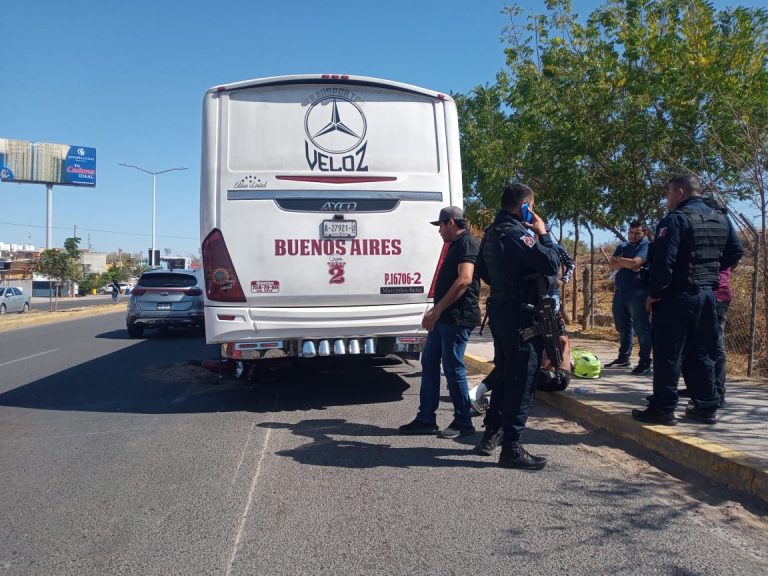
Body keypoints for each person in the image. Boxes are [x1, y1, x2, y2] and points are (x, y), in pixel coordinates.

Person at [632, 175, 743, 426]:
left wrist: (655, 293)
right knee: (701, 352)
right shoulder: (720, 217)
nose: (668, 199)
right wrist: (709, 271)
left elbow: (664, 263)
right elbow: (735, 251)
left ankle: (663, 408)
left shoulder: (676, 219)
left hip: (677, 296)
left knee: (668, 353)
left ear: (680, 191)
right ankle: (705, 407)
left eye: (669, 193)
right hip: (707, 296)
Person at [474, 182, 560, 469]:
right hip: (521, 314)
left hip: (500, 310)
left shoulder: (491, 233)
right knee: (523, 378)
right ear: (524, 206)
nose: (533, 212)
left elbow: (483, 271)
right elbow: (551, 263)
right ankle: (511, 447)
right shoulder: (517, 234)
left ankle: (492, 433)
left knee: (504, 373)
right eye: (531, 207)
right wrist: (543, 233)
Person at [399, 206, 481, 439]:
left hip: (457, 317)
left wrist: (437, 310)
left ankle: (463, 421)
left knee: (453, 367)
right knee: (429, 361)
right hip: (444, 318)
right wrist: (436, 311)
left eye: (441, 226)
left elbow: (464, 280)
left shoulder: (467, 243)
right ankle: (426, 419)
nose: (439, 231)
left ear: (451, 223)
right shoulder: (455, 245)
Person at [604, 221, 652, 375]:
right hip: (621, 292)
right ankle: (623, 358)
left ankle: (645, 361)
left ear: (644, 233)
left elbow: (636, 263)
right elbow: (612, 264)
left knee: (642, 328)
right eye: (631, 233)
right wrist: (627, 263)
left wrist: (622, 261)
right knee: (623, 327)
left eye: (637, 233)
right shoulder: (623, 246)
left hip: (638, 292)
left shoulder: (646, 246)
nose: (633, 236)